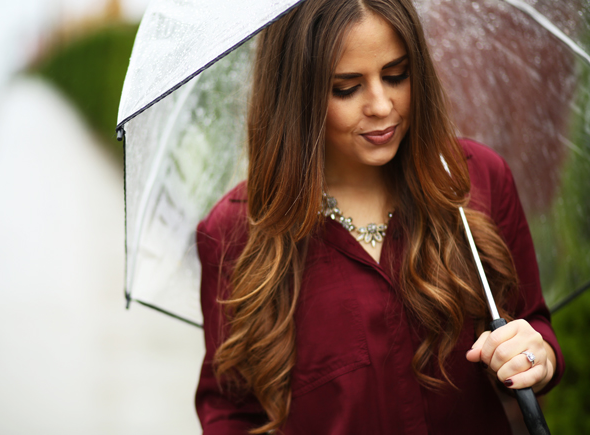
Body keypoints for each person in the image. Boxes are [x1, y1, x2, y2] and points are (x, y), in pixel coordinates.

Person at [194, 0, 564, 433]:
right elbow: (230, 410)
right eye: (347, 87)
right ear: (296, 95)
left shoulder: (475, 182)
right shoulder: (236, 233)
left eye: (396, 75)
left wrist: (536, 356)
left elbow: (534, 323)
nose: (381, 105)